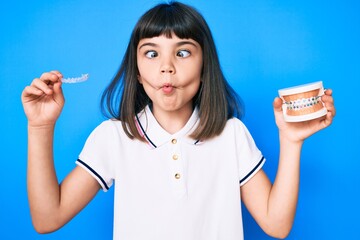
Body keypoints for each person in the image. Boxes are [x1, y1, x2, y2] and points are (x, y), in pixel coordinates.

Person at [21, 2, 335, 240]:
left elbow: (276, 225)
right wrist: (40, 127)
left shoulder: (232, 135)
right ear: (138, 70)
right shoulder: (113, 137)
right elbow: (47, 219)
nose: (167, 67)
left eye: (183, 53)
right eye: (151, 53)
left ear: (204, 65)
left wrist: (291, 142)